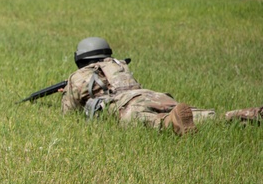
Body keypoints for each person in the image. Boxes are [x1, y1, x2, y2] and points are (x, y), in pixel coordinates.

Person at [62, 37, 261, 135]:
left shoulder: (78, 76)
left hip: (124, 105)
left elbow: (69, 115)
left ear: (79, 59)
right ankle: (246, 115)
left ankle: (170, 122)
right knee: (198, 115)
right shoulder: (118, 64)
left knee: (152, 121)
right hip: (148, 94)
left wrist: (67, 93)